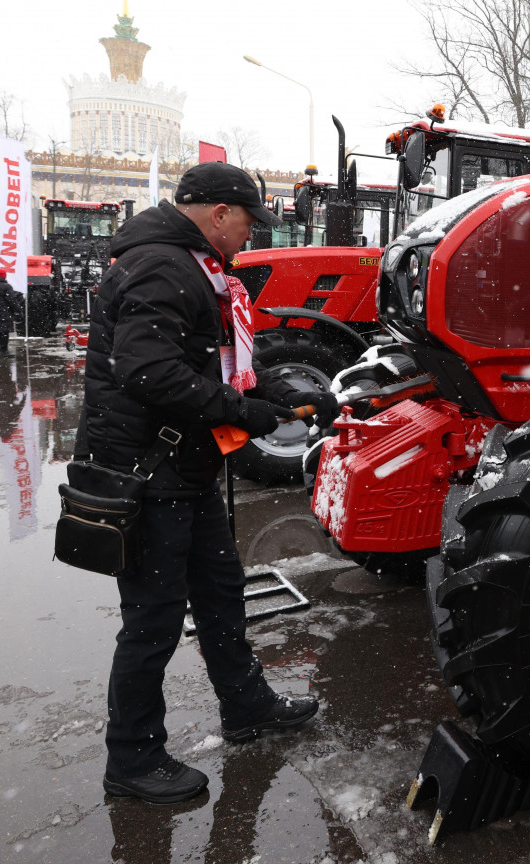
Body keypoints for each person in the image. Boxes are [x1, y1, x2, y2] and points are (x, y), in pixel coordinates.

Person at [82, 161, 317, 805]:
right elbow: (149, 371)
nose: (251, 235)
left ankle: (246, 708)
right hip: (148, 474)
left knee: (219, 591)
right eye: (248, 222)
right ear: (217, 214)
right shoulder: (162, 265)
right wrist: (244, 412)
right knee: (153, 620)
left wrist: (281, 390)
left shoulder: (196, 267)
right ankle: (131, 758)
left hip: (183, 467)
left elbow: (214, 359)